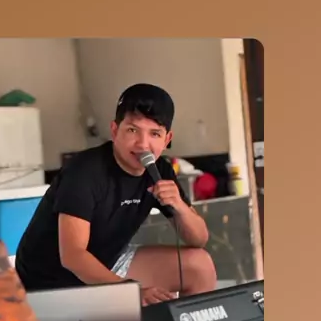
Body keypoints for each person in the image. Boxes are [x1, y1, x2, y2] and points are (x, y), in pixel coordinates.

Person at [15, 83, 217, 306]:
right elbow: (72, 256)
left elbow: (199, 239)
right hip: (50, 282)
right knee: (126, 312)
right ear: (114, 130)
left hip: (107, 262)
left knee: (199, 266)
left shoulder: (160, 171)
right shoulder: (84, 171)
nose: (143, 144)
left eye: (155, 133)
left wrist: (179, 205)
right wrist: (129, 291)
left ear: (167, 139)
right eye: (132, 130)